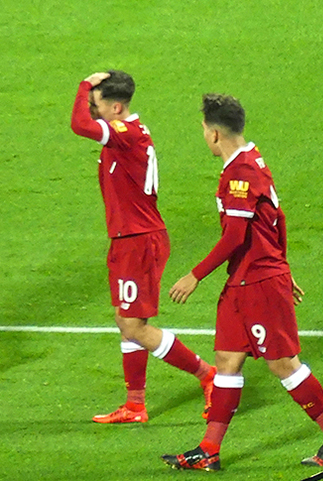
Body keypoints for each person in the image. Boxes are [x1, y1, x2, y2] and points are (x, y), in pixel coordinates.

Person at [161, 94, 323, 471]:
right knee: (227, 360)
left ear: (214, 134)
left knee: (283, 364)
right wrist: (283, 263)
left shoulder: (240, 173)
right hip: (245, 279)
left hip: (258, 282)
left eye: (203, 130)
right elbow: (277, 217)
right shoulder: (252, 159)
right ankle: (209, 450)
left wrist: (195, 275)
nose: (203, 136)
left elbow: (234, 237)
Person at [70, 71, 216, 423]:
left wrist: (83, 84)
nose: (91, 109)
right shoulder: (127, 132)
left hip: (139, 240)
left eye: (96, 104)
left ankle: (208, 374)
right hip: (129, 238)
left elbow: (79, 126)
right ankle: (135, 405)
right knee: (126, 319)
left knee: (134, 324)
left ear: (116, 107)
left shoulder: (125, 133)